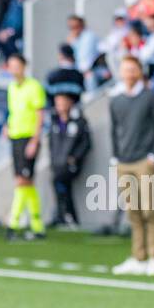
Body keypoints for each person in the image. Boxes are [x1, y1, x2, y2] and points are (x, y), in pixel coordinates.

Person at [109, 56, 154, 276]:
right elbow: (115, 131)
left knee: (149, 210)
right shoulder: (116, 101)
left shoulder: (151, 99)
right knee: (132, 212)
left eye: (133, 69)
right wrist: (115, 157)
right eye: (125, 69)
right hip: (123, 162)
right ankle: (138, 256)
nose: (129, 73)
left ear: (140, 72)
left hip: (144, 160)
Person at [3, 53, 47, 240]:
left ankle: (14, 223)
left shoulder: (34, 87)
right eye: (11, 66)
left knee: (22, 180)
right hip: (16, 137)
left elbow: (39, 115)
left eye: (17, 65)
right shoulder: (11, 88)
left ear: (24, 66)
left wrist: (35, 140)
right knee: (25, 181)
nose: (14, 69)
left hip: (29, 138)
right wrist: (7, 125)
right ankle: (37, 225)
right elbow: (14, 112)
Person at [47, 93, 92, 227]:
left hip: (70, 164)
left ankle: (64, 216)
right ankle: (67, 216)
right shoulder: (55, 121)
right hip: (57, 163)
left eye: (62, 102)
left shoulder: (79, 122)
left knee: (59, 183)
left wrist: (75, 158)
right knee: (63, 188)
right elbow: (51, 144)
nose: (60, 106)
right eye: (57, 102)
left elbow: (86, 143)